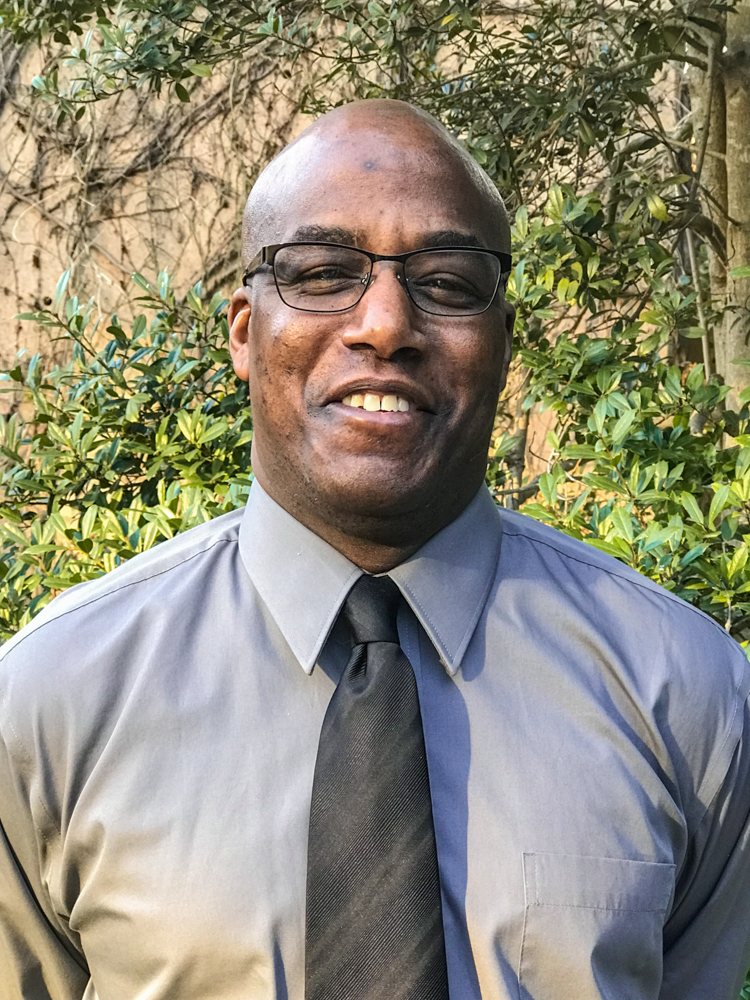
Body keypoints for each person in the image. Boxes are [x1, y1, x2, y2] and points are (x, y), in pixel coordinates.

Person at [1, 99, 749, 1000]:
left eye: (448, 283)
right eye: (323, 273)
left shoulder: (686, 692)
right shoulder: (50, 700)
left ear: (504, 342)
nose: (385, 324)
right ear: (244, 332)